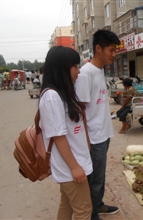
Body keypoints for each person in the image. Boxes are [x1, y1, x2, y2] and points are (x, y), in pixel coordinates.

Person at [39, 46, 93, 220]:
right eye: (75, 66)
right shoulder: (52, 97)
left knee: (67, 206)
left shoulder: (63, 94)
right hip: (70, 167)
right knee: (84, 210)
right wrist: (75, 167)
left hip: (74, 162)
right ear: (62, 68)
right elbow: (58, 136)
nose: (78, 71)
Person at [75, 29, 120, 220]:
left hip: (103, 133)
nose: (114, 54)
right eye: (111, 50)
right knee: (94, 180)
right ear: (98, 48)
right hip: (93, 137)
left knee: (99, 177)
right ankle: (92, 215)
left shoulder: (100, 70)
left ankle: (98, 205)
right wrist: (85, 141)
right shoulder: (86, 73)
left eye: (115, 50)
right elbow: (80, 111)